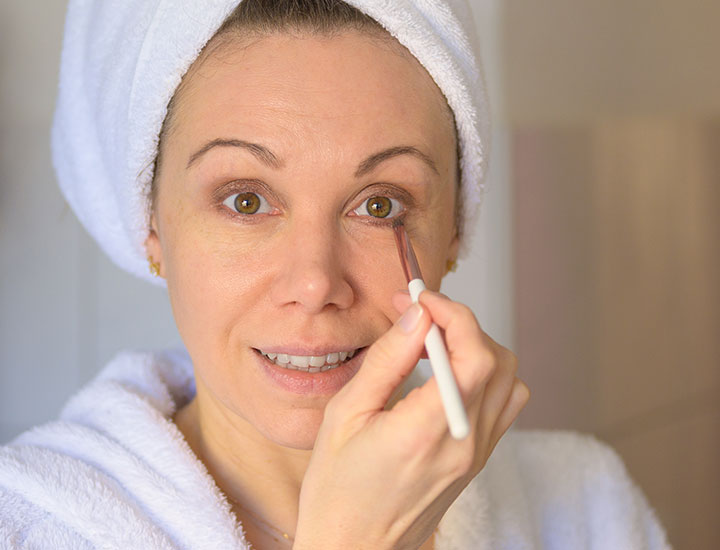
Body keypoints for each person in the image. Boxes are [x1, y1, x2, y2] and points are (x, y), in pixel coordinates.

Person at [0, 1, 671, 549]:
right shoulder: (29, 525)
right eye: (246, 200)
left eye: (380, 205)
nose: (317, 281)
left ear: (455, 231)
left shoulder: (584, 508)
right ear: (152, 228)